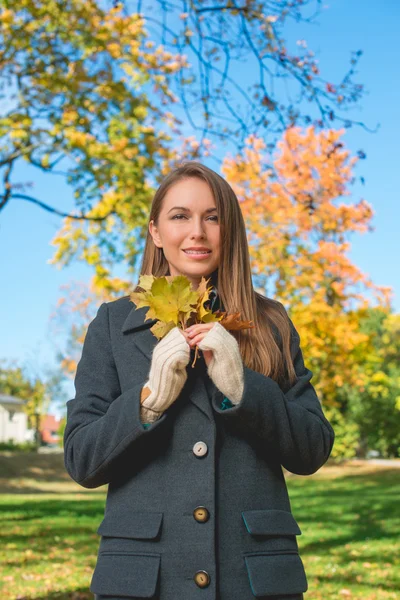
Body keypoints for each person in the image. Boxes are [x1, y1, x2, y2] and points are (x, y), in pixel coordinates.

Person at [63, 161, 335, 600]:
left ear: (230, 230)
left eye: (213, 217)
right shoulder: (112, 325)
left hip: (253, 579)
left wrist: (244, 389)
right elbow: (81, 459)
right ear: (155, 232)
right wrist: (147, 402)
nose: (198, 231)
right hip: (142, 581)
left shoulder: (270, 321)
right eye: (180, 216)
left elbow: (313, 449)